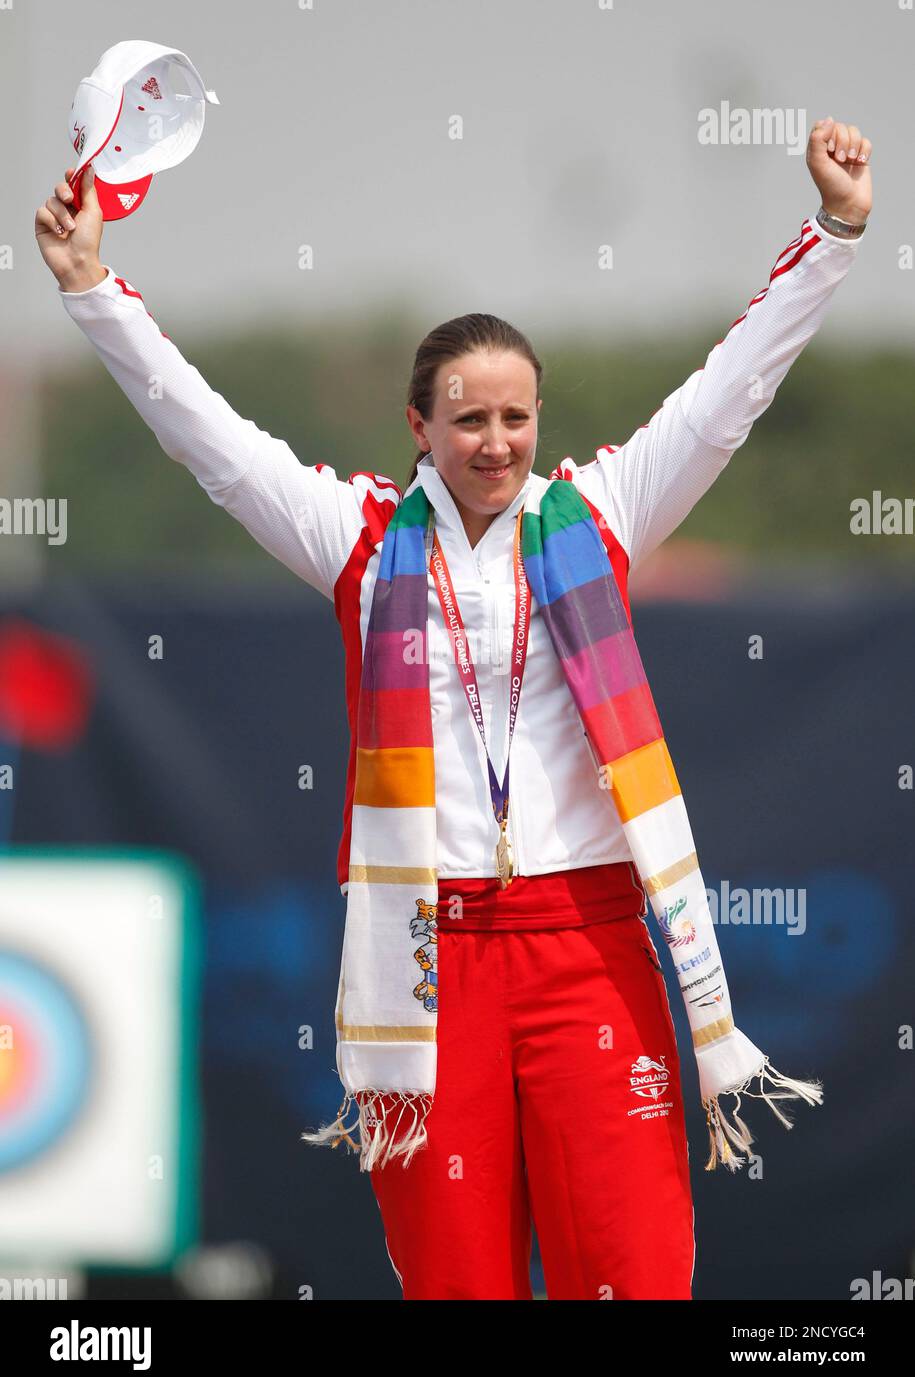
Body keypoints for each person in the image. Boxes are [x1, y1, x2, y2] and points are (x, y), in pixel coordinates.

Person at [36, 117, 871, 1300]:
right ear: (420, 427)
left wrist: (833, 231)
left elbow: (729, 393)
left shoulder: (601, 513)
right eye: (470, 419)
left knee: (635, 1274)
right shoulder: (358, 537)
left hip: (589, 946)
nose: (496, 443)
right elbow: (207, 439)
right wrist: (92, 289)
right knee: (456, 1284)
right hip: (430, 965)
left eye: (517, 418)